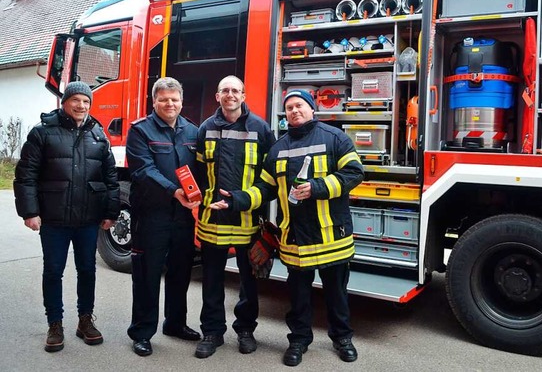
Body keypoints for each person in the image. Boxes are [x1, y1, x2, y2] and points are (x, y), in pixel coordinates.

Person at [211, 89, 365, 366]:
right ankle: (298, 341)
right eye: (289, 107)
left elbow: (354, 173)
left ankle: (342, 338)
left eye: (300, 105)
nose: (294, 111)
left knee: (337, 293)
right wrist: (235, 200)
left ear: (312, 109)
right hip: (294, 238)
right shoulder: (278, 148)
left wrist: (317, 187)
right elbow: (264, 188)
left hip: (332, 235)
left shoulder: (335, 138)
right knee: (299, 297)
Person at [14, 81, 120, 353]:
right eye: (76, 100)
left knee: (87, 270)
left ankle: (85, 320)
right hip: (54, 219)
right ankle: (55, 324)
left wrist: (110, 212)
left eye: (86, 101)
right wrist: (30, 211)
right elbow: (26, 175)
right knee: (53, 271)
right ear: (64, 102)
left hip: (88, 219)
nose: (81, 106)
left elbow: (110, 178)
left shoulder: (98, 134)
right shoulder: (42, 133)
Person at [194, 75, 275, 359]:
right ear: (217, 96)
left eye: (235, 90)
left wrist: (243, 200)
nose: (230, 94)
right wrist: (207, 199)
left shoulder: (260, 129)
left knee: (248, 281)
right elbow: (197, 174)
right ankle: (212, 332)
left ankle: (245, 330)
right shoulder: (205, 129)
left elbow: (271, 180)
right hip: (212, 222)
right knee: (212, 280)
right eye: (224, 90)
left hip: (247, 221)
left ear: (243, 95)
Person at [126, 77, 201, 356]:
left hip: (183, 217)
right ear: (153, 101)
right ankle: (142, 332)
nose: (170, 104)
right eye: (164, 99)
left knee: (181, 273)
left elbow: (202, 170)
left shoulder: (192, 131)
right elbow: (143, 170)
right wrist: (174, 191)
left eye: (175, 99)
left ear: (181, 101)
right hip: (152, 216)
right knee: (147, 274)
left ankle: (175, 323)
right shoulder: (140, 131)